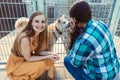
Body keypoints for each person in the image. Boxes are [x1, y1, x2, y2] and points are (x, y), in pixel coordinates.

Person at [64, 1, 120, 80]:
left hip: (103, 77)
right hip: (115, 70)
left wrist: (74, 33)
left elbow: (75, 63)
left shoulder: (83, 41)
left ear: (74, 19)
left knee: (67, 60)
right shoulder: (101, 24)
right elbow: (90, 36)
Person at [6, 11, 60, 80]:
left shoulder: (39, 35)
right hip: (17, 64)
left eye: (42, 22)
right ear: (31, 23)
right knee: (42, 65)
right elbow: (29, 58)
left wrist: (52, 54)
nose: (40, 25)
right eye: (37, 21)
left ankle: (49, 78)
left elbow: (38, 52)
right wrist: (47, 56)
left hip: (26, 59)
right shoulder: (25, 38)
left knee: (49, 60)